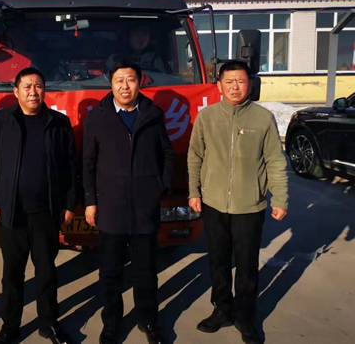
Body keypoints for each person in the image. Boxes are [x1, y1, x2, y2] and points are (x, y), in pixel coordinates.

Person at [187, 60, 288, 344]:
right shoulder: (207, 117)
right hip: (214, 203)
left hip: (250, 206)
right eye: (229, 81)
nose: (235, 87)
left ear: (250, 84)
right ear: (219, 85)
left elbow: (275, 161)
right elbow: (195, 157)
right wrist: (194, 192)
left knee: (246, 264)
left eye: (241, 81)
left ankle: (245, 316)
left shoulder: (263, 118)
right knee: (218, 261)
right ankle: (222, 309)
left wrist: (280, 198)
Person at [0, 67, 79, 344]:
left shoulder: (58, 123)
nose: (33, 92)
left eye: (38, 86)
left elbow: (70, 167)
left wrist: (69, 203)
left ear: (44, 90)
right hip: (12, 212)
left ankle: (49, 323)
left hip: (46, 212)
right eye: (27, 86)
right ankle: (10, 327)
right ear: (16, 91)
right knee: (12, 274)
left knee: (46, 272)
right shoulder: (2, 120)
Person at [83, 60, 174, 344]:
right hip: (110, 207)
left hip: (145, 208)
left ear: (140, 82)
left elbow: (166, 154)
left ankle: (148, 320)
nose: (125, 86)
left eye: (131, 79)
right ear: (110, 84)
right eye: (119, 80)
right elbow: (88, 162)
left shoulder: (152, 115)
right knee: (110, 272)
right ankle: (111, 322)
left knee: (146, 271)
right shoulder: (98, 118)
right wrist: (90, 201)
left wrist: (160, 186)